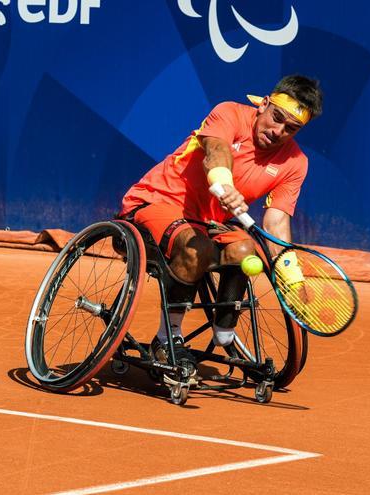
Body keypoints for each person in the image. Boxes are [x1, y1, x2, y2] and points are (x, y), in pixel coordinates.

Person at [118, 74, 323, 373]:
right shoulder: (229, 113)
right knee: (197, 248)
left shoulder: (295, 163)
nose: (278, 131)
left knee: (246, 251)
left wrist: (293, 282)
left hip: (208, 221)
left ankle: (225, 332)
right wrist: (224, 185)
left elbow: (277, 222)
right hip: (157, 202)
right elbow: (216, 152)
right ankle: (166, 340)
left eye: (291, 128)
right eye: (276, 118)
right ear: (264, 104)